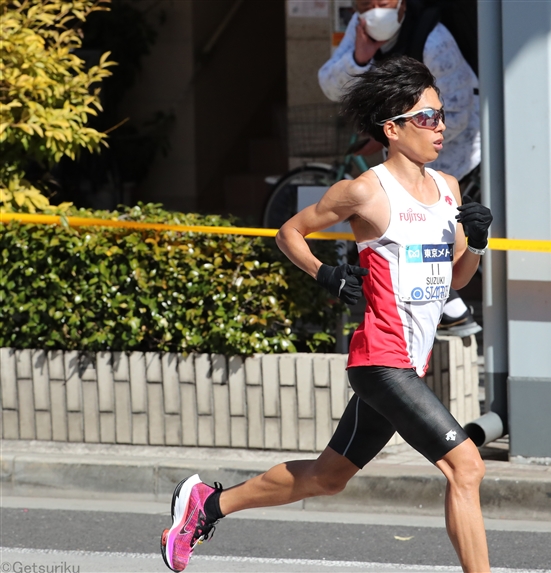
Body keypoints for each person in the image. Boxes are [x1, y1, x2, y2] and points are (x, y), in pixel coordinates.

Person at [160, 56, 494, 573]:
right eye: (426, 118)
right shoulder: (366, 189)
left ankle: (207, 504)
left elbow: (456, 279)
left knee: (328, 476)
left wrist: (476, 243)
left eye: (442, 115)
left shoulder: (449, 188)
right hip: (381, 359)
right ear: (393, 128)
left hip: (411, 361)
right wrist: (326, 275)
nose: (441, 127)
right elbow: (288, 231)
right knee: (465, 467)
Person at [319, 0, 482, 338]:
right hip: (401, 141)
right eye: (368, 2)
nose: (377, 9)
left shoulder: (433, 40)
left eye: (385, 1)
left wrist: (397, 137)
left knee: (425, 226)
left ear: (402, 3)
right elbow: (331, 85)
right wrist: (359, 57)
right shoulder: (360, 28)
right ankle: (443, 309)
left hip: (456, 146)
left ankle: (447, 307)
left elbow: (456, 113)